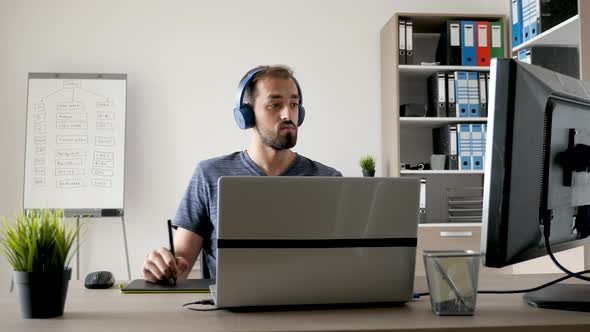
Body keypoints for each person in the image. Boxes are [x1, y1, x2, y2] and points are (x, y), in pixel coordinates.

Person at [142, 65, 342, 282]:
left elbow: (346, 261)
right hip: (231, 313)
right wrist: (164, 267)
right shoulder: (209, 175)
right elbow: (180, 262)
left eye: (294, 104)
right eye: (274, 105)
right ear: (246, 115)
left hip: (312, 308)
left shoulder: (329, 180)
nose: (288, 114)